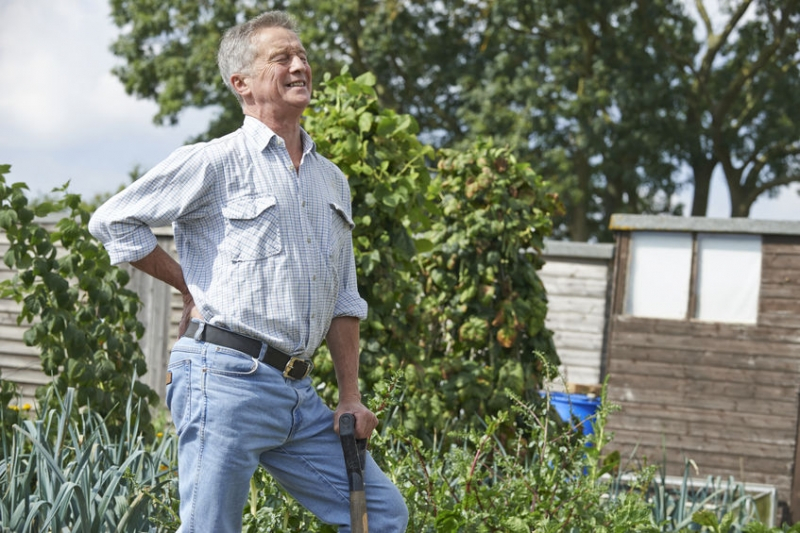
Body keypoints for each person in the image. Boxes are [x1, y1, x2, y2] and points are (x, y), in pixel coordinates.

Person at [89, 10, 408, 533]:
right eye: (282, 57)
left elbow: (344, 298)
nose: (300, 64)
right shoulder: (215, 161)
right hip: (224, 377)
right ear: (241, 83)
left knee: (382, 516)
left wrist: (350, 395)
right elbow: (113, 222)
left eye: (302, 55)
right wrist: (188, 283)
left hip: (298, 395)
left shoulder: (332, 181)